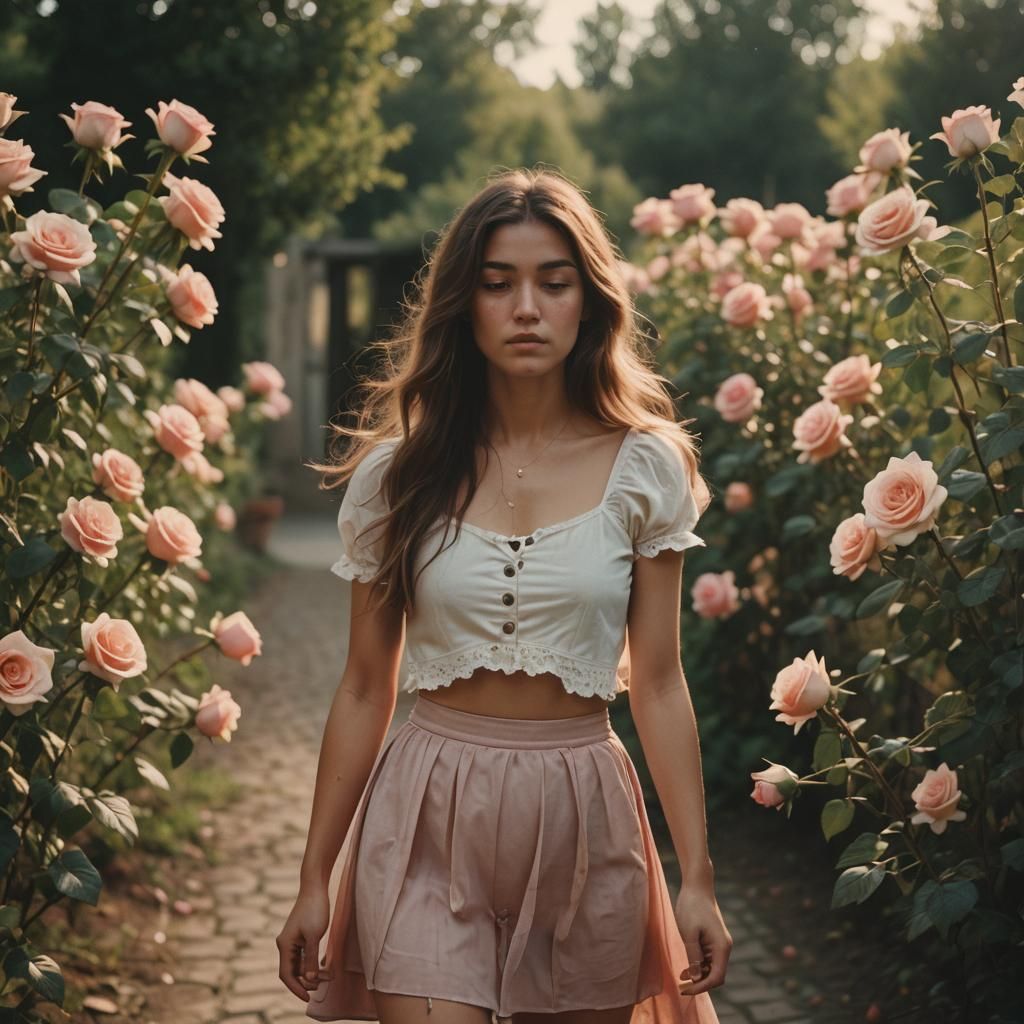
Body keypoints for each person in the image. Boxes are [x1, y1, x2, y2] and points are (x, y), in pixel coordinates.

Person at [279, 167, 731, 1024]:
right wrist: (312, 879)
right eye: (497, 284)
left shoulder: (646, 466)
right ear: (464, 303)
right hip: (427, 815)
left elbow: (660, 681)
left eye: (554, 283)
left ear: (589, 302)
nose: (527, 308)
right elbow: (366, 686)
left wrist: (697, 880)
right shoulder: (396, 475)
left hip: (585, 818)